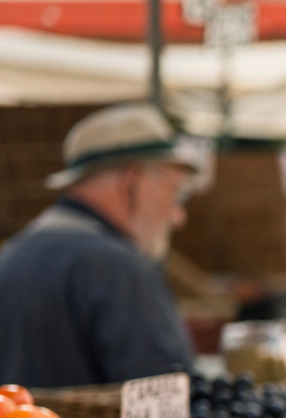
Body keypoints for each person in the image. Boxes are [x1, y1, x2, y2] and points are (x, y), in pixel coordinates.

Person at [0, 103, 198, 387]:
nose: (179, 216)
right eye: (176, 192)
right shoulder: (118, 268)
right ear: (134, 181)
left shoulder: (14, 254)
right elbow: (166, 399)